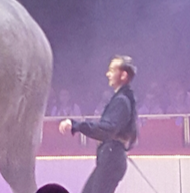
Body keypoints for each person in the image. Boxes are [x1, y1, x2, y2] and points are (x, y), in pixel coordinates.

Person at [58, 55, 138, 193]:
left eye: (112, 70)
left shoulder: (121, 101)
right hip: (112, 155)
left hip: (111, 157)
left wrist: (77, 125)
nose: (108, 74)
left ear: (123, 75)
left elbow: (106, 129)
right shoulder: (125, 99)